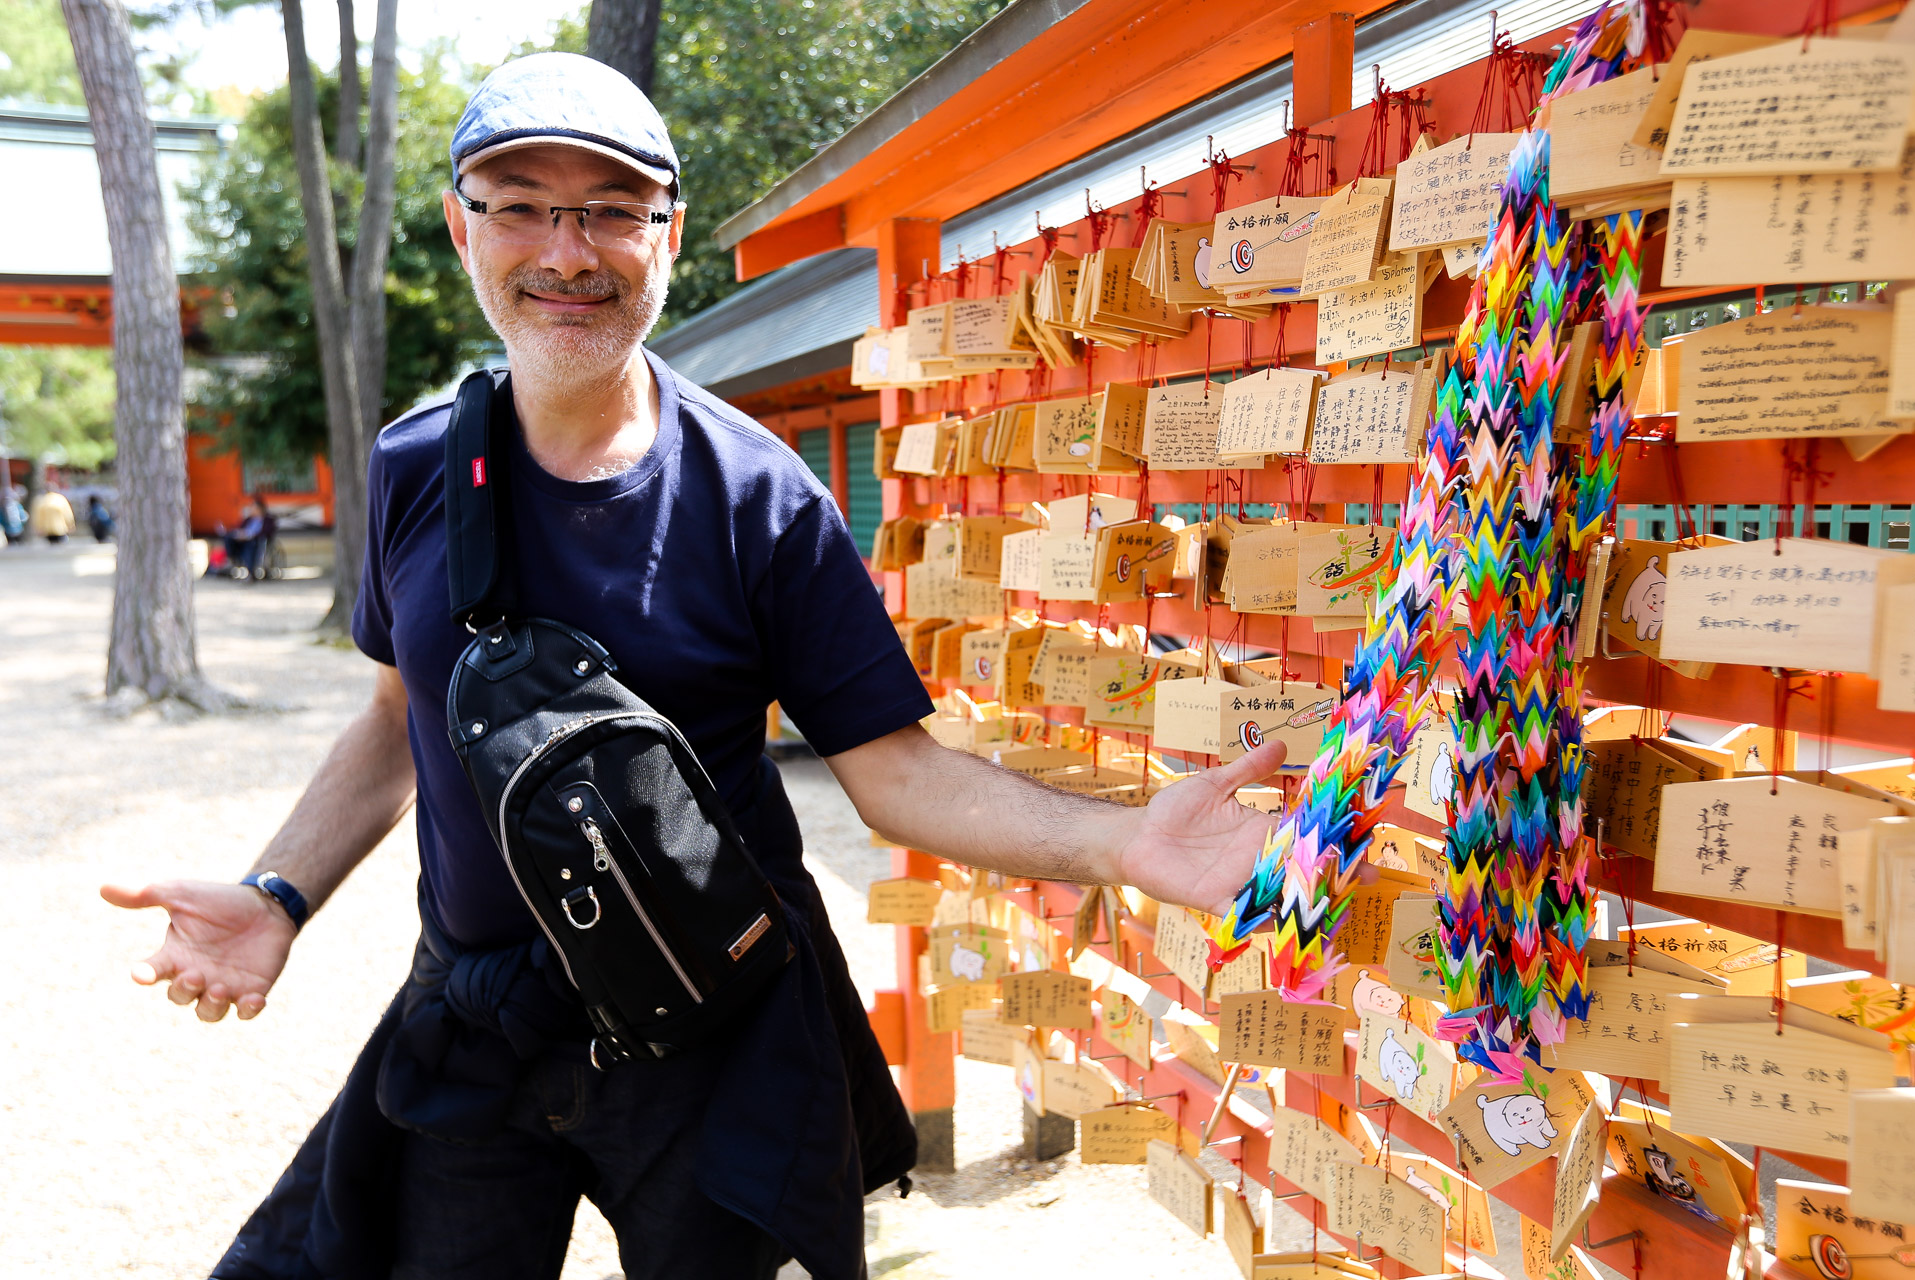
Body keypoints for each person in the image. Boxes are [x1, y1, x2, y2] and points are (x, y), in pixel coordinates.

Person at [103, 53, 1288, 1280]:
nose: (567, 251)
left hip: (711, 1023)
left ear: (666, 235)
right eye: (521, 204)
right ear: (464, 227)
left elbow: (893, 773)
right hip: (480, 1016)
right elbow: (398, 720)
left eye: (612, 210)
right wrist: (279, 892)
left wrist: (1120, 839)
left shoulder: (760, 497)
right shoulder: (414, 469)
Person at [222, 494, 272, 579]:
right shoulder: (248, 519)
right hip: (242, 541)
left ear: (260, 509)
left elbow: (267, 532)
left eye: (253, 507)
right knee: (228, 536)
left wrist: (250, 535)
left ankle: (250, 572)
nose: (251, 510)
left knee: (250, 545)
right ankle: (231, 558)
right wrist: (239, 534)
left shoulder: (268, 520)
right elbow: (239, 527)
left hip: (256, 542)